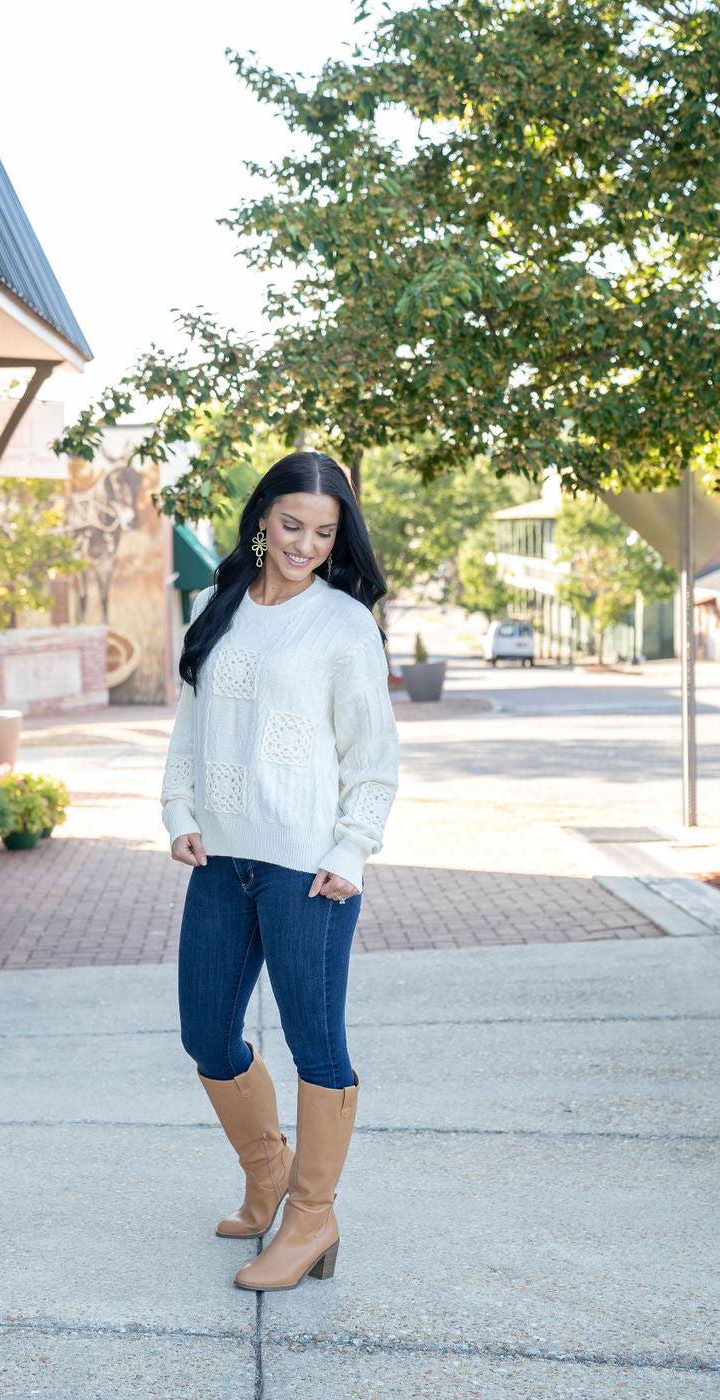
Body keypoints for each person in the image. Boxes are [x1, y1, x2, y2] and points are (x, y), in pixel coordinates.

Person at [161, 449, 399, 1292]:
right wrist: (180, 813)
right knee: (206, 1035)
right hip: (222, 859)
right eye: (291, 524)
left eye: (323, 533)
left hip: (310, 871)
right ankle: (267, 1172)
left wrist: (350, 850)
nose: (303, 543)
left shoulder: (343, 623)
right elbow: (189, 727)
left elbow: (373, 758)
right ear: (263, 518)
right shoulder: (212, 605)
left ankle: (311, 1217)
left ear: (339, 540)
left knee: (316, 1045)